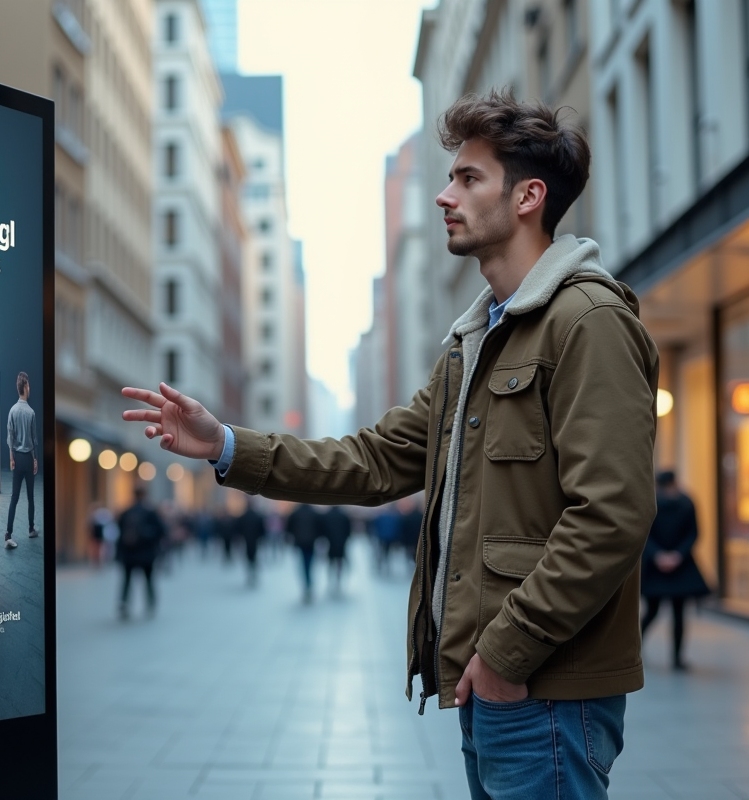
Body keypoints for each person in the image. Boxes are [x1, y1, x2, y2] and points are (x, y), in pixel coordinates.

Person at [123, 89, 659, 799]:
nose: (444, 196)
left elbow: (612, 516)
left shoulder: (586, 321)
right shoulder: (475, 343)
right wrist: (225, 443)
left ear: (529, 197)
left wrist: (505, 651)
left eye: (468, 179)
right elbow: (372, 462)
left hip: (545, 686)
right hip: (495, 682)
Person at [640, 471, 710, 671]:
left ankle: (672, 657)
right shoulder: (686, 501)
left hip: (663, 565)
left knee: (661, 612)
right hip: (674, 565)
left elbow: (644, 533)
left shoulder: (655, 502)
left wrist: (661, 555)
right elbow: (693, 533)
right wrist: (674, 555)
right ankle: (675, 658)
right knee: (658, 612)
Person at [115, 486, 165, 619]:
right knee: (148, 580)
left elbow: (119, 534)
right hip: (145, 553)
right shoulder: (150, 512)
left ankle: (124, 603)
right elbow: (161, 531)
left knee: (127, 579)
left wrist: (118, 554)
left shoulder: (126, 512)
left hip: (130, 553)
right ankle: (151, 604)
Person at [5, 371, 40, 548]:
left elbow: (10, 438)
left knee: (14, 497)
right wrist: (35, 460)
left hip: (17, 458)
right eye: (29, 385)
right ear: (25, 387)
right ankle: (31, 528)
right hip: (28, 457)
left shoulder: (12, 410)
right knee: (31, 497)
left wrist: (12, 458)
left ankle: (8, 534)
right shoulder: (31, 412)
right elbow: (34, 440)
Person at [285, 504, 322, 604]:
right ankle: (309, 584)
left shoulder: (296, 513)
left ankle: (307, 585)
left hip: (300, 543)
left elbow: (289, 528)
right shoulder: (314, 513)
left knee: (304, 564)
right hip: (311, 543)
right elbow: (320, 528)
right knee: (309, 563)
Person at [234, 499, 266, 587]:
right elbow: (262, 529)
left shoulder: (242, 517)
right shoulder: (257, 516)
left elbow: (238, 529)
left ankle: (250, 573)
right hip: (255, 540)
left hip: (246, 540)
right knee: (254, 557)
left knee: (248, 557)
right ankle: (253, 572)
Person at [321, 506, 352, 595]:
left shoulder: (327, 515)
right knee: (339, 562)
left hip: (330, 543)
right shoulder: (344, 515)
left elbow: (323, 530)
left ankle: (330, 579)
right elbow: (348, 531)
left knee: (330, 562)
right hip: (341, 543)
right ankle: (338, 579)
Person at [398, 496, 424, 569]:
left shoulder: (408, 517)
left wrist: (403, 541)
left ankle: (412, 565)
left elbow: (404, 530)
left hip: (410, 540)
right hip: (419, 538)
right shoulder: (422, 516)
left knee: (411, 553)